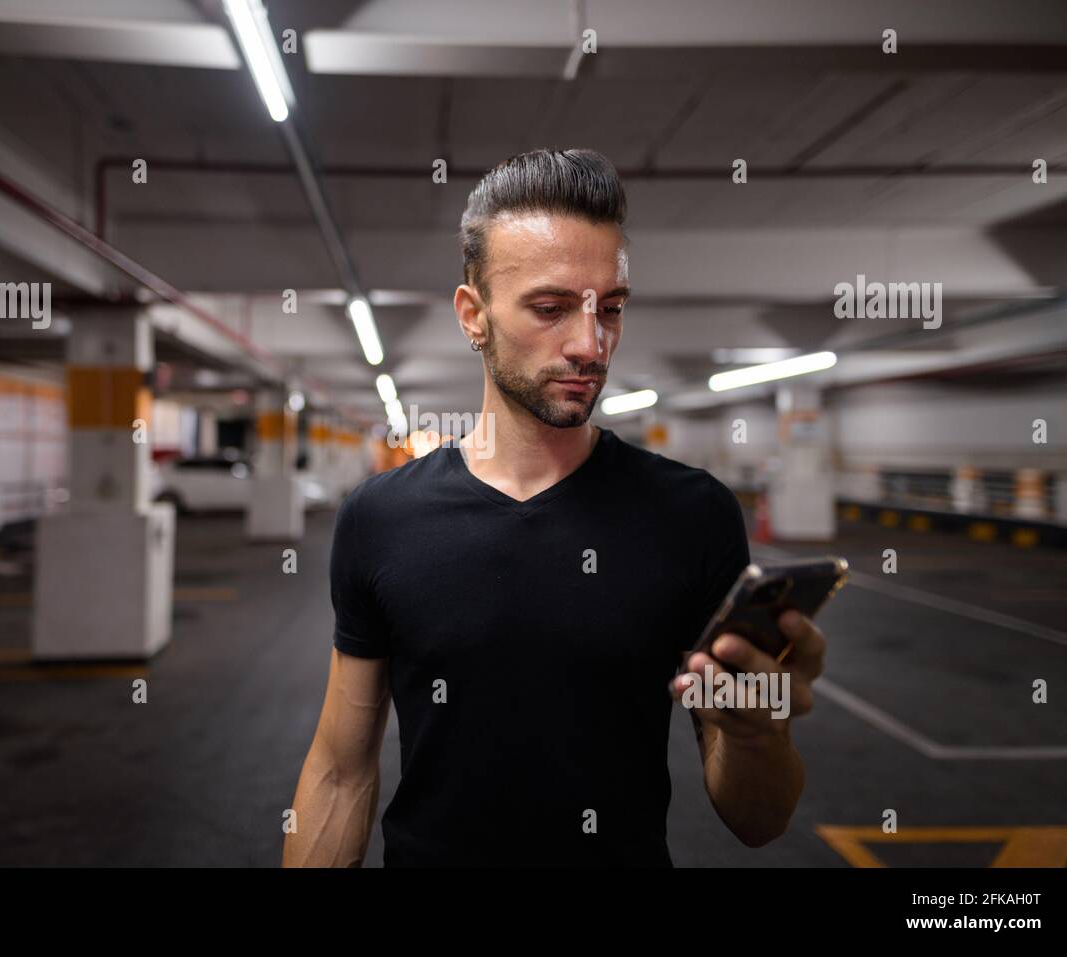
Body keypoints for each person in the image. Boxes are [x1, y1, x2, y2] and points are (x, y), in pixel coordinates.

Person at [283, 148, 826, 867]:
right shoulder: (382, 518)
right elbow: (340, 771)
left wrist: (761, 734)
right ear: (472, 316)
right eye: (551, 307)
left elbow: (757, 820)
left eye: (612, 307)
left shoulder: (691, 515)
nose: (590, 343)